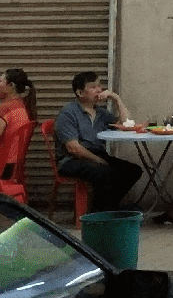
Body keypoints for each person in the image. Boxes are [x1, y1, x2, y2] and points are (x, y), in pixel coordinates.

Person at [54, 72, 142, 213]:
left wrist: (116, 99)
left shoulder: (101, 113)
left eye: (99, 86)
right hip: (71, 159)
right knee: (105, 172)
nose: (99, 90)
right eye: (93, 87)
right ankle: (102, 212)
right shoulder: (68, 112)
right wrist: (99, 160)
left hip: (97, 154)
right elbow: (73, 148)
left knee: (132, 170)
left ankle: (107, 208)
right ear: (80, 92)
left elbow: (127, 125)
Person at [0, 68, 38, 177]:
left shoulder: (5, 108)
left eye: (0, 81)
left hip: (3, 166)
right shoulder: (22, 105)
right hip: (14, 165)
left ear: (10, 85)